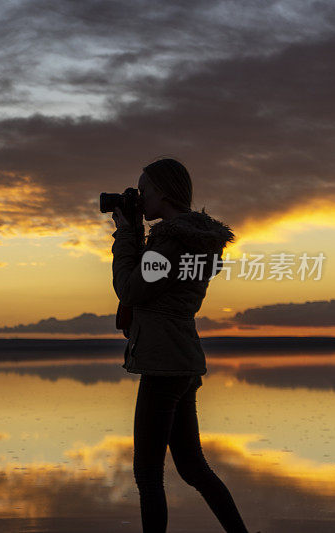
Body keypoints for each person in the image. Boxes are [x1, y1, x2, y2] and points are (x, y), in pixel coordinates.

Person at [111, 157, 256, 532]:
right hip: (182, 359)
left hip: (164, 364)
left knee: (147, 474)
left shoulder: (171, 240)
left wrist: (126, 234)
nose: (139, 198)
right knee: (192, 467)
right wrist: (139, 235)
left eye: (144, 190)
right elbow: (155, 286)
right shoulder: (193, 239)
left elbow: (132, 288)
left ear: (163, 191)